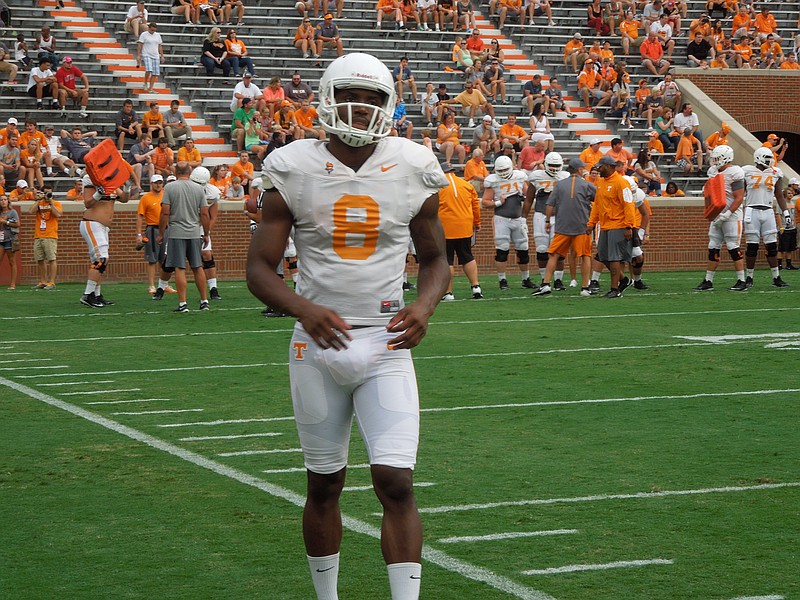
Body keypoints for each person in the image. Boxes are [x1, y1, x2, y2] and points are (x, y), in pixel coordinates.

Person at [247, 53, 450, 600]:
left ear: (388, 105)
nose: (360, 109)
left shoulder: (413, 163)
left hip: (386, 340)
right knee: (324, 483)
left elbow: (435, 258)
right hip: (316, 343)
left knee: (397, 481)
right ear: (326, 97)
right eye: (349, 96)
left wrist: (425, 307)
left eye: (373, 98)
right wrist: (303, 308)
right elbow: (257, 268)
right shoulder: (291, 165)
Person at [532, 157, 596, 297]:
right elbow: (599, 199)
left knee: (553, 254)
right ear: (579, 170)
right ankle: (585, 287)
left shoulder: (560, 185)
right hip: (581, 226)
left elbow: (549, 205)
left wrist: (547, 221)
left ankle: (546, 284)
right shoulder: (586, 185)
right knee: (585, 255)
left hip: (562, 225)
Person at [79, 166, 134, 308]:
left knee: (97, 261)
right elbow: (88, 203)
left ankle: (96, 295)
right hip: (92, 223)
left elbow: (124, 199)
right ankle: (88, 295)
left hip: (103, 227)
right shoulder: (90, 179)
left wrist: (127, 187)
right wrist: (98, 193)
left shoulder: (112, 181)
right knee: (101, 259)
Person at [158, 162, 211, 311]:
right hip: (194, 232)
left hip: (176, 233)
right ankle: (204, 301)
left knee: (179, 268)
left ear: (175, 171)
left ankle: (183, 303)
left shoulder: (169, 187)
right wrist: (205, 233)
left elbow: (165, 212)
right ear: (190, 171)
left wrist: (161, 233)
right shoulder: (199, 189)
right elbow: (205, 213)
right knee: (197, 267)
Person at [693, 144, 747, 291]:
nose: (714, 161)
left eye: (717, 158)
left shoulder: (735, 172)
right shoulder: (712, 171)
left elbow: (739, 197)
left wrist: (728, 214)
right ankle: (708, 280)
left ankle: (741, 280)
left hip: (732, 215)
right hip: (717, 215)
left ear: (726, 158)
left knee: (732, 247)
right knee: (713, 246)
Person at [481, 155, 536, 291]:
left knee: (523, 250)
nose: (503, 172)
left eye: (505, 169)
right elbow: (485, 202)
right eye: (501, 170)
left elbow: (528, 195)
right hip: (501, 219)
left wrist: (523, 199)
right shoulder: (492, 181)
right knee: (502, 250)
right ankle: (502, 280)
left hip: (518, 219)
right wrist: (499, 202)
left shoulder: (519, 177)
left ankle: (525, 279)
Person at [585, 155, 635, 297]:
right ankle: (623, 279)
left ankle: (615, 289)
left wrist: (628, 226)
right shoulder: (600, 182)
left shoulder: (621, 183)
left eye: (601, 166)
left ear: (609, 166)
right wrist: (591, 223)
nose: (598, 168)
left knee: (614, 258)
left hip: (618, 225)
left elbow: (628, 205)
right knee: (602, 256)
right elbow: (597, 206)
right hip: (605, 225)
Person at [741, 147, 791, 288]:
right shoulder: (746, 171)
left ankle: (776, 277)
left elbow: (779, 195)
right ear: (758, 157)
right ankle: (749, 277)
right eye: (767, 158)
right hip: (752, 210)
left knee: (772, 247)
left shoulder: (775, 172)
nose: (770, 161)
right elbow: (740, 192)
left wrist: (785, 212)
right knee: (752, 247)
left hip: (768, 211)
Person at [439, 164, 483, 299]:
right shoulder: (466, 185)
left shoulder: (438, 187)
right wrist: (477, 222)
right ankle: (476, 287)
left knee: (447, 260)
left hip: (445, 227)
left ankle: (448, 292)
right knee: (467, 256)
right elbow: (475, 205)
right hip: (465, 226)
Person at [525, 152, 569, 286]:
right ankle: (545, 279)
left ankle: (558, 280)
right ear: (545, 165)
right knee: (542, 250)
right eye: (551, 165)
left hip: (560, 216)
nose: (554, 168)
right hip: (540, 215)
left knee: (559, 251)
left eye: (557, 165)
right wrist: (522, 219)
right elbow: (529, 199)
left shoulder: (566, 177)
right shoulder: (536, 176)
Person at [136, 174, 165, 293]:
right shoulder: (146, 198)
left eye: (160, 182)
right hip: (152, 229)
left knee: (165, 258)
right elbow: (140, 216)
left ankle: (164, 284)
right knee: (152, 259)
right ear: (151, 184)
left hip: (165, 229)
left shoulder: (166, 195)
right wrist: (139, 234)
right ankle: (152, 285)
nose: (158, 185)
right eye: (156, 182)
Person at [0, 193, 19, 289]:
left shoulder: (12, 212)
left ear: (8, 201)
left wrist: (6, 222)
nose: (3, 201)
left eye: (4, 200)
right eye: (1, 200)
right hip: (0, 238)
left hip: (10, 238)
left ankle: (12, 284)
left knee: (11, 261)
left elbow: (17, 224)